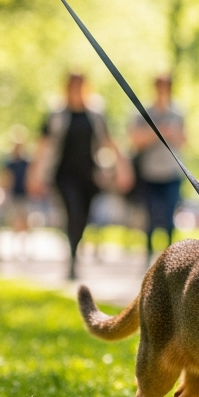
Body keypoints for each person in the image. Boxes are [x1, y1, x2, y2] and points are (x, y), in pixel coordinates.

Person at [29, 74, 131, 280]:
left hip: (90, 176)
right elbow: (43, 146)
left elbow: (108, 141)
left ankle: (74, 251)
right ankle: (73, 260)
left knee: (82, 218)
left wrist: (123, 167)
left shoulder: (95, 114)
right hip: (64, 174)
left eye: (80, 85)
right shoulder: (57, 114)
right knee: (73, 213)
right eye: (72, 86)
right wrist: (34, 175)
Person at [128, 74, 187, 261]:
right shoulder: (144, 112)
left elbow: (185, 140)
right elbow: (135, 140)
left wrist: (173, 133)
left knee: (170, 218)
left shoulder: (178, 112)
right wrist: (158, 131)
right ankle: (148, 256)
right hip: (149, 174)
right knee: (150, 218)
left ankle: (169, 257)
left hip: (171, 173)